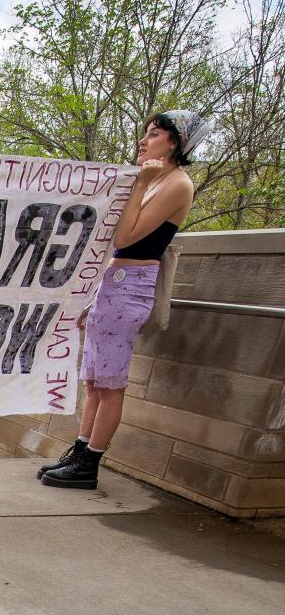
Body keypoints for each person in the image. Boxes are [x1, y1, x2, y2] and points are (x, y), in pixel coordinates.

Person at [40, 111, 207, 491]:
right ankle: (80, 451)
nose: (142, 142)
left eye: (152, 134)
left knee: (111, 382)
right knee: (95, 381)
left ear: (175, 142)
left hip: (132, 284)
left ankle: (90, 464)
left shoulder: (177, 184)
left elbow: (125, 237)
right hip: (112, 284)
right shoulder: (156, 181)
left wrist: (139, 184)